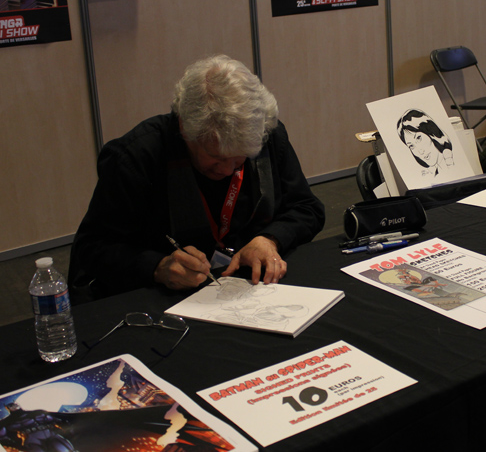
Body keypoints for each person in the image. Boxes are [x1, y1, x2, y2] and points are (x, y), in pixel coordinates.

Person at [69, 55, 325, 300]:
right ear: (185, 128)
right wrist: (157, 266)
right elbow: (91, 248)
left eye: (239, 159)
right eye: (216, 157)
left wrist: (270, 239)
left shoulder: (267, 135)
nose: (227, 170)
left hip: (251, 289)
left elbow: (307, 208)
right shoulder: (137, 156)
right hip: (167, 297)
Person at [396, 109, 455, 179]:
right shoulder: (432, 174)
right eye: (411, 146)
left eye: (419, 138)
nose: (420, 151)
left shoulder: (453, 162)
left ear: (432, 133)